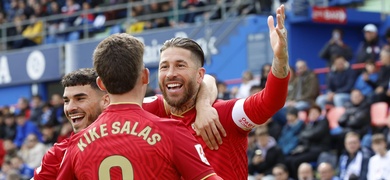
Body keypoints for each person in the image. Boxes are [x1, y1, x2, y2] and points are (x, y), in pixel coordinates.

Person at [143, 4, 290, 179]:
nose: (170, 74)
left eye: (180, 65)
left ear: (199, 75)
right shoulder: (151, 112)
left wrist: (280, 59)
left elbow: (270, 102)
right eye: (164, 67)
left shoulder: (223, 115)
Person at [56, 33, 222, 179]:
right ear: (145, 76)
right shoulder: (172, 133)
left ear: (101, 84)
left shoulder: (77, 143)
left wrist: (203, 103)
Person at [34, 67, 218, 179]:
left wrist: (203, 106)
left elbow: (205, 81)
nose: (70, 108)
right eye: (66, 101)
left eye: (80, 98)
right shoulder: (59, 153)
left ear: (106, 99)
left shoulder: (141, 112)